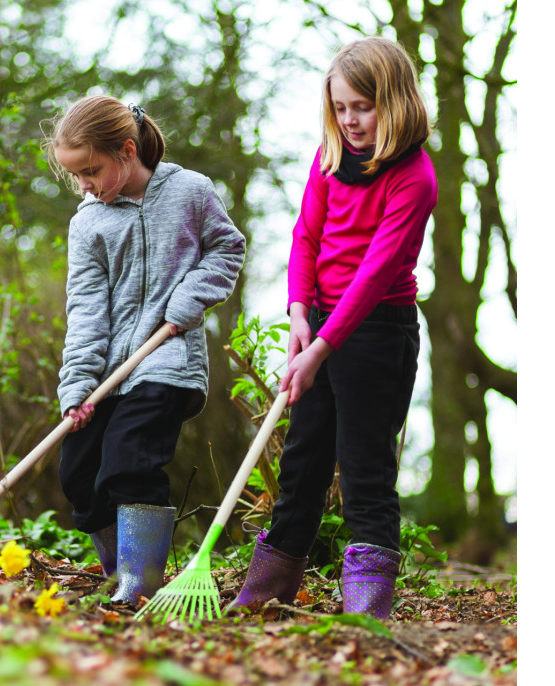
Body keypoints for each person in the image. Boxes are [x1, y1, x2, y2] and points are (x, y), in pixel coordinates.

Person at [228, 36, 438, 619]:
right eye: (340, 107)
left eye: (362, 108)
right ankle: (268, 591)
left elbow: (374, 275)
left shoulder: (414, 178)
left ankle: (367, 609)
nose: (349, 120)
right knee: (303, 462)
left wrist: (321, 348)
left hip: (376, 330)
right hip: (319, 322)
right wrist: (299, 314)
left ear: (394, 103)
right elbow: (306, 237)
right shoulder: (329, 160)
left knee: (366, 465)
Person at [42, 95, 246, 604]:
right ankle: (118, 572)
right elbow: (86, 307)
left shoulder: (191, 192)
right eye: (75, 177)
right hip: (106, 368)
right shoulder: (88, 221)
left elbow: (228, 247)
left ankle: (139, 586)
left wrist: (186, 300)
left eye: (91, 170)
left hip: (167, 360)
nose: (84, 185)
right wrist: (78, 384)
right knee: (79, 474)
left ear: (128, 151)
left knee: (129, 463)